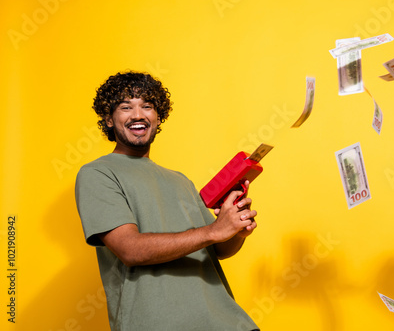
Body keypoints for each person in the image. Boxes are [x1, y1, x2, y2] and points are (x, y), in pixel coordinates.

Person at [75, 71, 259, 331]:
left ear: (158, 117)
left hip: (227, 322)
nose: (138, 114)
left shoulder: (180, 180)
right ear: (108, 119)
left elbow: (218, 250)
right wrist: (213, 230)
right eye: (126, 107)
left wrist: (235, 229)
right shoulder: (98, 173)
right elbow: (130, 249)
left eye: (147, 106)